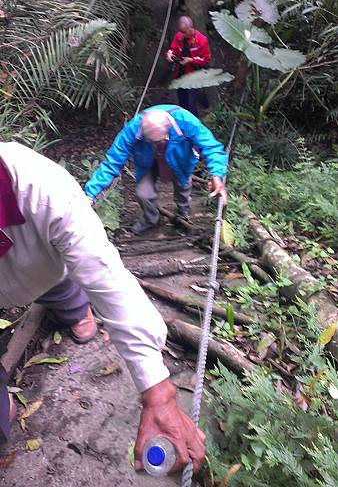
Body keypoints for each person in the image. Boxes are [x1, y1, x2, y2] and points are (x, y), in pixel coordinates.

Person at [0, 141, 205, 473]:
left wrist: (158, 390)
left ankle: (78, 312)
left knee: (71, 300)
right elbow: (115, 157)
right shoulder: (138, 132)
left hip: (48, 269)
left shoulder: (44, 191)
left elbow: (108, 280)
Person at [85, 105, 228, 236]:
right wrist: (90, 194)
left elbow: (211, 147)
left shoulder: (185, 121)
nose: (156, 144)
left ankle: (183, 210)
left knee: (183, 186)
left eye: (159, 141)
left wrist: (217, 175)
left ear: (168, 131)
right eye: (152, 141)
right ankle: (151, 219)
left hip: (179, 159)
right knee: (143, 193)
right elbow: (113, 162)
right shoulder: (133, 129)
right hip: (147, 161)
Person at [166, 16, 211, 118]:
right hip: (180, 74)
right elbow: (172, 48)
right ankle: (184, 122)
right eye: (181, 31)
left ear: (191, 28)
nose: (183, 34)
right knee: (182, 101)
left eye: (185, 32)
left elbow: (206, 60)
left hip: (193, 76)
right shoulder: (179, 36)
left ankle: (195, 124)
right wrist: (169, 54)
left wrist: (191, 60)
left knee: (191, 104)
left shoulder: (201, 40)